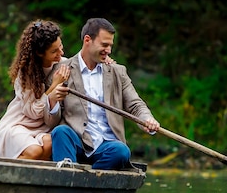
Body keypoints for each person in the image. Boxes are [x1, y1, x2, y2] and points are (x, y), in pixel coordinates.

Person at [49, 17, 160, 170]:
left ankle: (85, 183)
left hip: (106, 146)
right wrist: (53, 99)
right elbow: (51, 118)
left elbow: (135, 104)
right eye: (104, 45)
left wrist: (147, 119)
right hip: (77, 141)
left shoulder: (118, 72)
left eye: (110, 46)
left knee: (121, 151)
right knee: (60, 132)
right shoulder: (62, 70)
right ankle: (67, 178)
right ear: (87, 40)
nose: (108, 50)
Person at [0, 20, 71, 160]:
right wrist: (53, 86)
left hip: (43, 127)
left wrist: (106, 63)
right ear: (40, 53)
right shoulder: (26, 73)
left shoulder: (63, 64)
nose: (60, 53)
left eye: (61, 47)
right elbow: (32, 111)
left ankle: (31, 179)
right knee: (34, 151)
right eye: (54, 51)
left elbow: (84, 64)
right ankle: (8, 176)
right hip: (20, 123)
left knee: (50, 144)